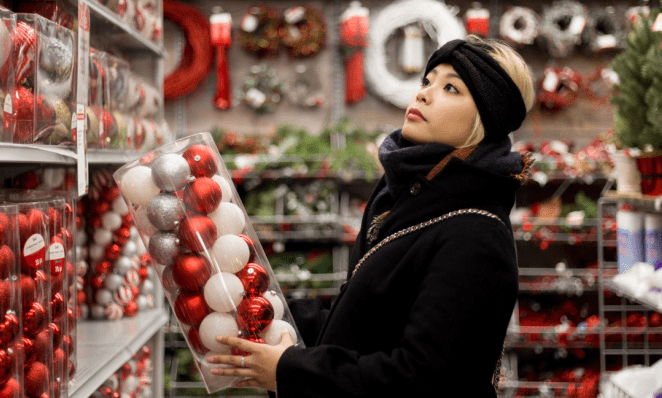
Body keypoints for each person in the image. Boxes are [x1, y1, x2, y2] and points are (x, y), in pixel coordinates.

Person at [207, 35, 535, 397]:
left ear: (486, 119)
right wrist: (266, 312)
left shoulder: (474, 235)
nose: (423, 93)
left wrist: (292, 372)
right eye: (427, 81)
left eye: (452, 88)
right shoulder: (406, 198)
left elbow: (424, 381)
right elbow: (364, 329)